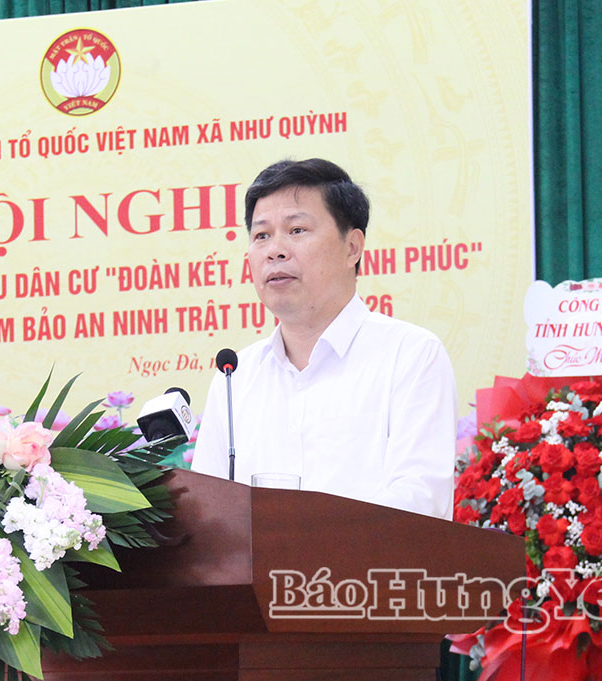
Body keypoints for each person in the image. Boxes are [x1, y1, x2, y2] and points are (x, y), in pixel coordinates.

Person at [190, 158, 457, 519]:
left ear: (352, 247)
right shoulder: (235, 378)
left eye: (297, 230)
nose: (275, 250)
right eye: (261, 235)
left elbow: (420, 504)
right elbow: (207, 516)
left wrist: (304, 538)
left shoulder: (410, 356)